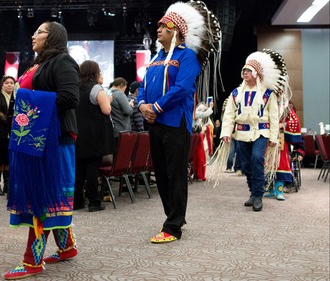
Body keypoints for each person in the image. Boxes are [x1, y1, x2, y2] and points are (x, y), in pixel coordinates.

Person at [137, 2, 221, 243]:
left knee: (175, 174)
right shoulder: (155, 58)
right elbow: (143, 86)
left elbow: (182, 88)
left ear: (177, 31)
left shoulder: (187, 57)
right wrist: (142, 105)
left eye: (165, 26)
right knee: (161, 174)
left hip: (174, 123)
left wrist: (156, 107)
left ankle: (173, 226)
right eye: (160, 26)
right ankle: (173, 216)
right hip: (155, 123)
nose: (159, 29)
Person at [4, 21, 80, 280]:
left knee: (42, 198)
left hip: (54, 140)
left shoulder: (63, 62)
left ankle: (32, 261)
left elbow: (71, 97)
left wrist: (32, 109)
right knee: (50, 195)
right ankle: (67, 247)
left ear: (53, 37)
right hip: (38, 139)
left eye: (39, 32)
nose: (33, 36)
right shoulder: (38, 64)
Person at [220, 50, 287, 212]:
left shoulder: (267, 94)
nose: (245, 73)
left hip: (261, 132)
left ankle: (258, 196)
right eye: (244, 70)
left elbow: (273, 116)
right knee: (245, 164)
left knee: (257, 158)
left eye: (249, 71)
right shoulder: (236, 93)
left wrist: (273, 137)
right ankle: (253, 193)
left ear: (257, 74)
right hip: (242, 132)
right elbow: (229, 115)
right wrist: (226, 133)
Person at [73, 60, 114, 212]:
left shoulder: (75, 87)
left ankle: (77, 201)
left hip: (78, 133)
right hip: (94, 135)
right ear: (94, 72)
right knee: (92, 169)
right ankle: (94, 202)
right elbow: (106, 110)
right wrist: (109, 99)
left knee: (79, 170)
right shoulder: (96, 88)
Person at [264, 102, 305, 199]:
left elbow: (294, 121)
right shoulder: (266, 102)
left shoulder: (285, 106)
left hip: (281, 140)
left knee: (281, 164)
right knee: (268, 164)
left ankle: (279, 191)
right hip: (267, 137)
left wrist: (283, 124)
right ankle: (270, 189)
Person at [0, 76, 15, 196]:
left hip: (12, 133)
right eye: (7, 83)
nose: (10, 85)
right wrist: (11, 120)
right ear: (2, 85)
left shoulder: (15, 97)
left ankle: (7, 184)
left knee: (8, 159)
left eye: (12, 83)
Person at [109, 77, 133, 145]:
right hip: (122, 130)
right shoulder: (120, 94)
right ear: (121, 85)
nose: (124, 90)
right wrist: (130, 105)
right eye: (125, 88)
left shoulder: (108, 94)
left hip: (114, 130)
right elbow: (128, 111)